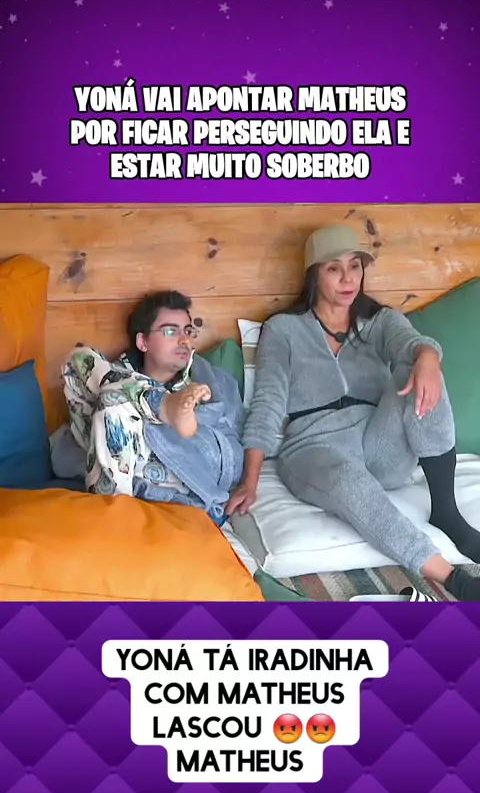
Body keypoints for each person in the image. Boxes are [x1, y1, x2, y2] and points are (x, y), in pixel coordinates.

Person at [227, 224, 480, 601]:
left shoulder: (379, 320)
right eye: (334, 268)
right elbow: (267, 403)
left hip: (378, 444)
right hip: (313, 448)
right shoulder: (283, 330)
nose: (348, 279)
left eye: (355, 266)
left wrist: (427, 357)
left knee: (419, 369)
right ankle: (453, 579)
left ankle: (446, 511)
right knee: (348, 479)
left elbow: (411, 343)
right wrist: (250, 481)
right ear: (313, 274)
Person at [60, 290, 245, 526]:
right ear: (143, 342)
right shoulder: (114, 378)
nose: (184, 340)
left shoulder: (211, 380)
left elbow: (233, 451)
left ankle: (109, 521)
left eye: (188, 331)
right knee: (78, 361)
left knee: (113, 404)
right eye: (170, 331)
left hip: (184, 470)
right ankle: (162, 403)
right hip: (126, 460)